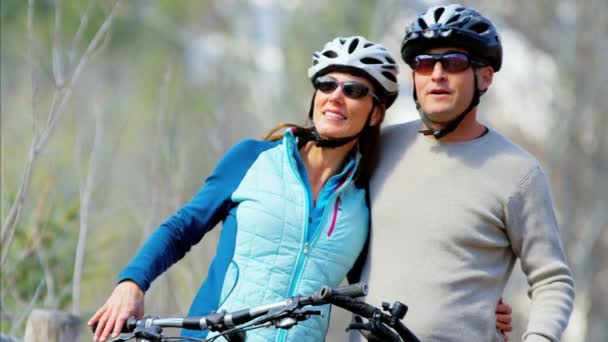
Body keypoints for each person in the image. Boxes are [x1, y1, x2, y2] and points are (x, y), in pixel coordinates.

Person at [88, 35, 399, 342]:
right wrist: (132, 283)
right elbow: (182, 227)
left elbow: (371, 288)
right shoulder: (253, 159)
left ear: (375, 113)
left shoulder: (364, 197)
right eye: (327, 84)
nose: (335, 96)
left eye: (353, 90)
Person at [357, 4, 575, 342]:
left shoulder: (519, 173)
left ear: (484, 76)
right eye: (425, 64)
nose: (438, 74)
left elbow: (552, 281)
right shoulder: (378, 147)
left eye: (454, 63)